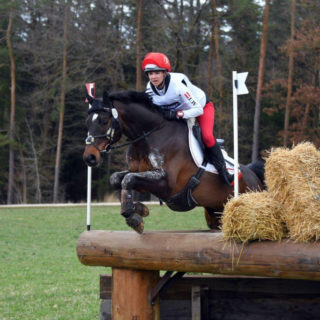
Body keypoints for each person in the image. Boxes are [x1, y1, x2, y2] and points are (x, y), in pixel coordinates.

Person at [142, 52, 233, 186]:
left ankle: (223, 171)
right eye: (150, 74)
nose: (153, 77)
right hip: (179, 113)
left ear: (165, 73)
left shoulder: (177, 85)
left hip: (202, 107)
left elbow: (198, 109)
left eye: (157, 73)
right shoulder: (149, 89)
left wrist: (178, 115)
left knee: (207, 136)